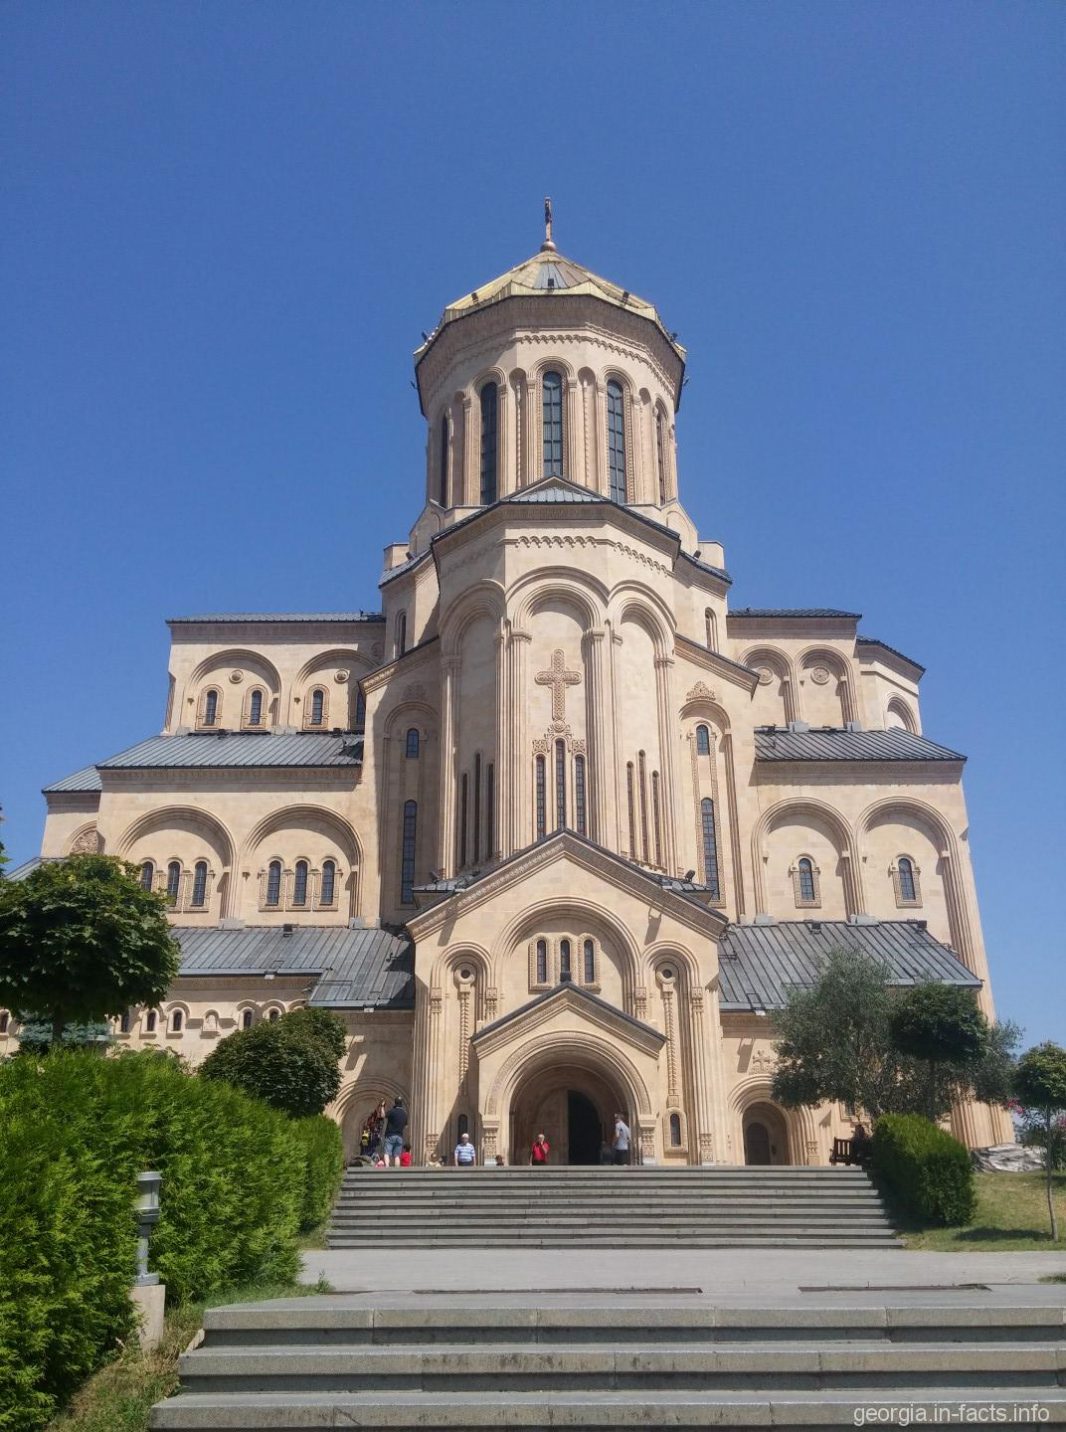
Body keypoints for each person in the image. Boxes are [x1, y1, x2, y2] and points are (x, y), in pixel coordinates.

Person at [383, 1097, 408, 1167]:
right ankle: (397, 1170)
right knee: (397, 1156)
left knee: (387, 1153)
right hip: (399, 1136)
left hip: (390, 1135)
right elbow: (406, 1126)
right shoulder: (404, 1114)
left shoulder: (392, 1111)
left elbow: (383, 1115)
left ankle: (387, 1167)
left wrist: (382, 1107)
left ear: (395, 1103)